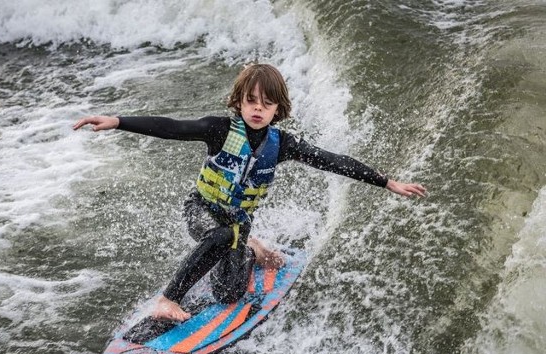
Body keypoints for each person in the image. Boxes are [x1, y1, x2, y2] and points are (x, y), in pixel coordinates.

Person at [73, 64, 426, 322]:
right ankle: (168, 299)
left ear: (278, 109)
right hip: (202, 210)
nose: (258, 108)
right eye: (251, 101)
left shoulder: (283, 144)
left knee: (228, 292)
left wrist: (386, 182)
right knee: (220, 234)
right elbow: (172, 127)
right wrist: (118, 121)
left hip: (238, 224)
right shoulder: (219, 129)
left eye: (267, 103)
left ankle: (252, 248)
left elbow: (331, 160)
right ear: (239, 102)